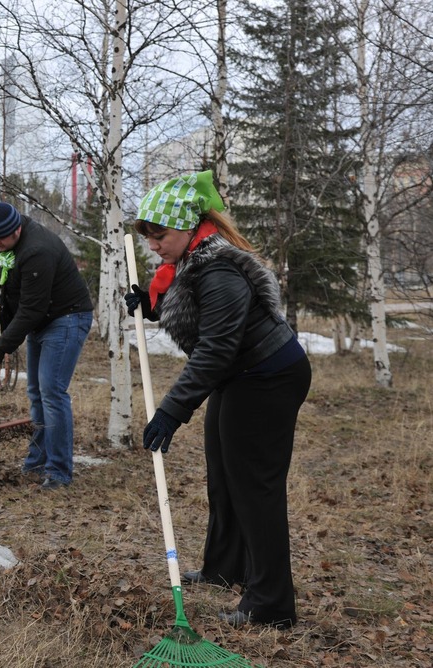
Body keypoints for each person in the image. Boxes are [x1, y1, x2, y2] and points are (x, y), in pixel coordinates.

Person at [125, 170, 312, 629]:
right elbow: (192, 307)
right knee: (224, 474)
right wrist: (150, 305)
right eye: (147, 235)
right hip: (239, 375)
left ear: (187, 228)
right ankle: (225, 567)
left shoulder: (219, 267)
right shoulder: (192, 259)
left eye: (159, 234)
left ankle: (271, 605)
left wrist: (172, 409)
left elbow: (216, 346)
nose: (152, 244)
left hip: (266, 376)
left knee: (256, 488)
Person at [0, 202, 94, 492]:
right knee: (36, 392)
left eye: (0, 239)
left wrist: (2, 347)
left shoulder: (37, 250)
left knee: (52, 391)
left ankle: (58, 471)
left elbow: (31, 309)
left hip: (66, 317)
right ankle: (38, 459)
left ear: (16, 230)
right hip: (42, 320)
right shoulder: (3, 239)